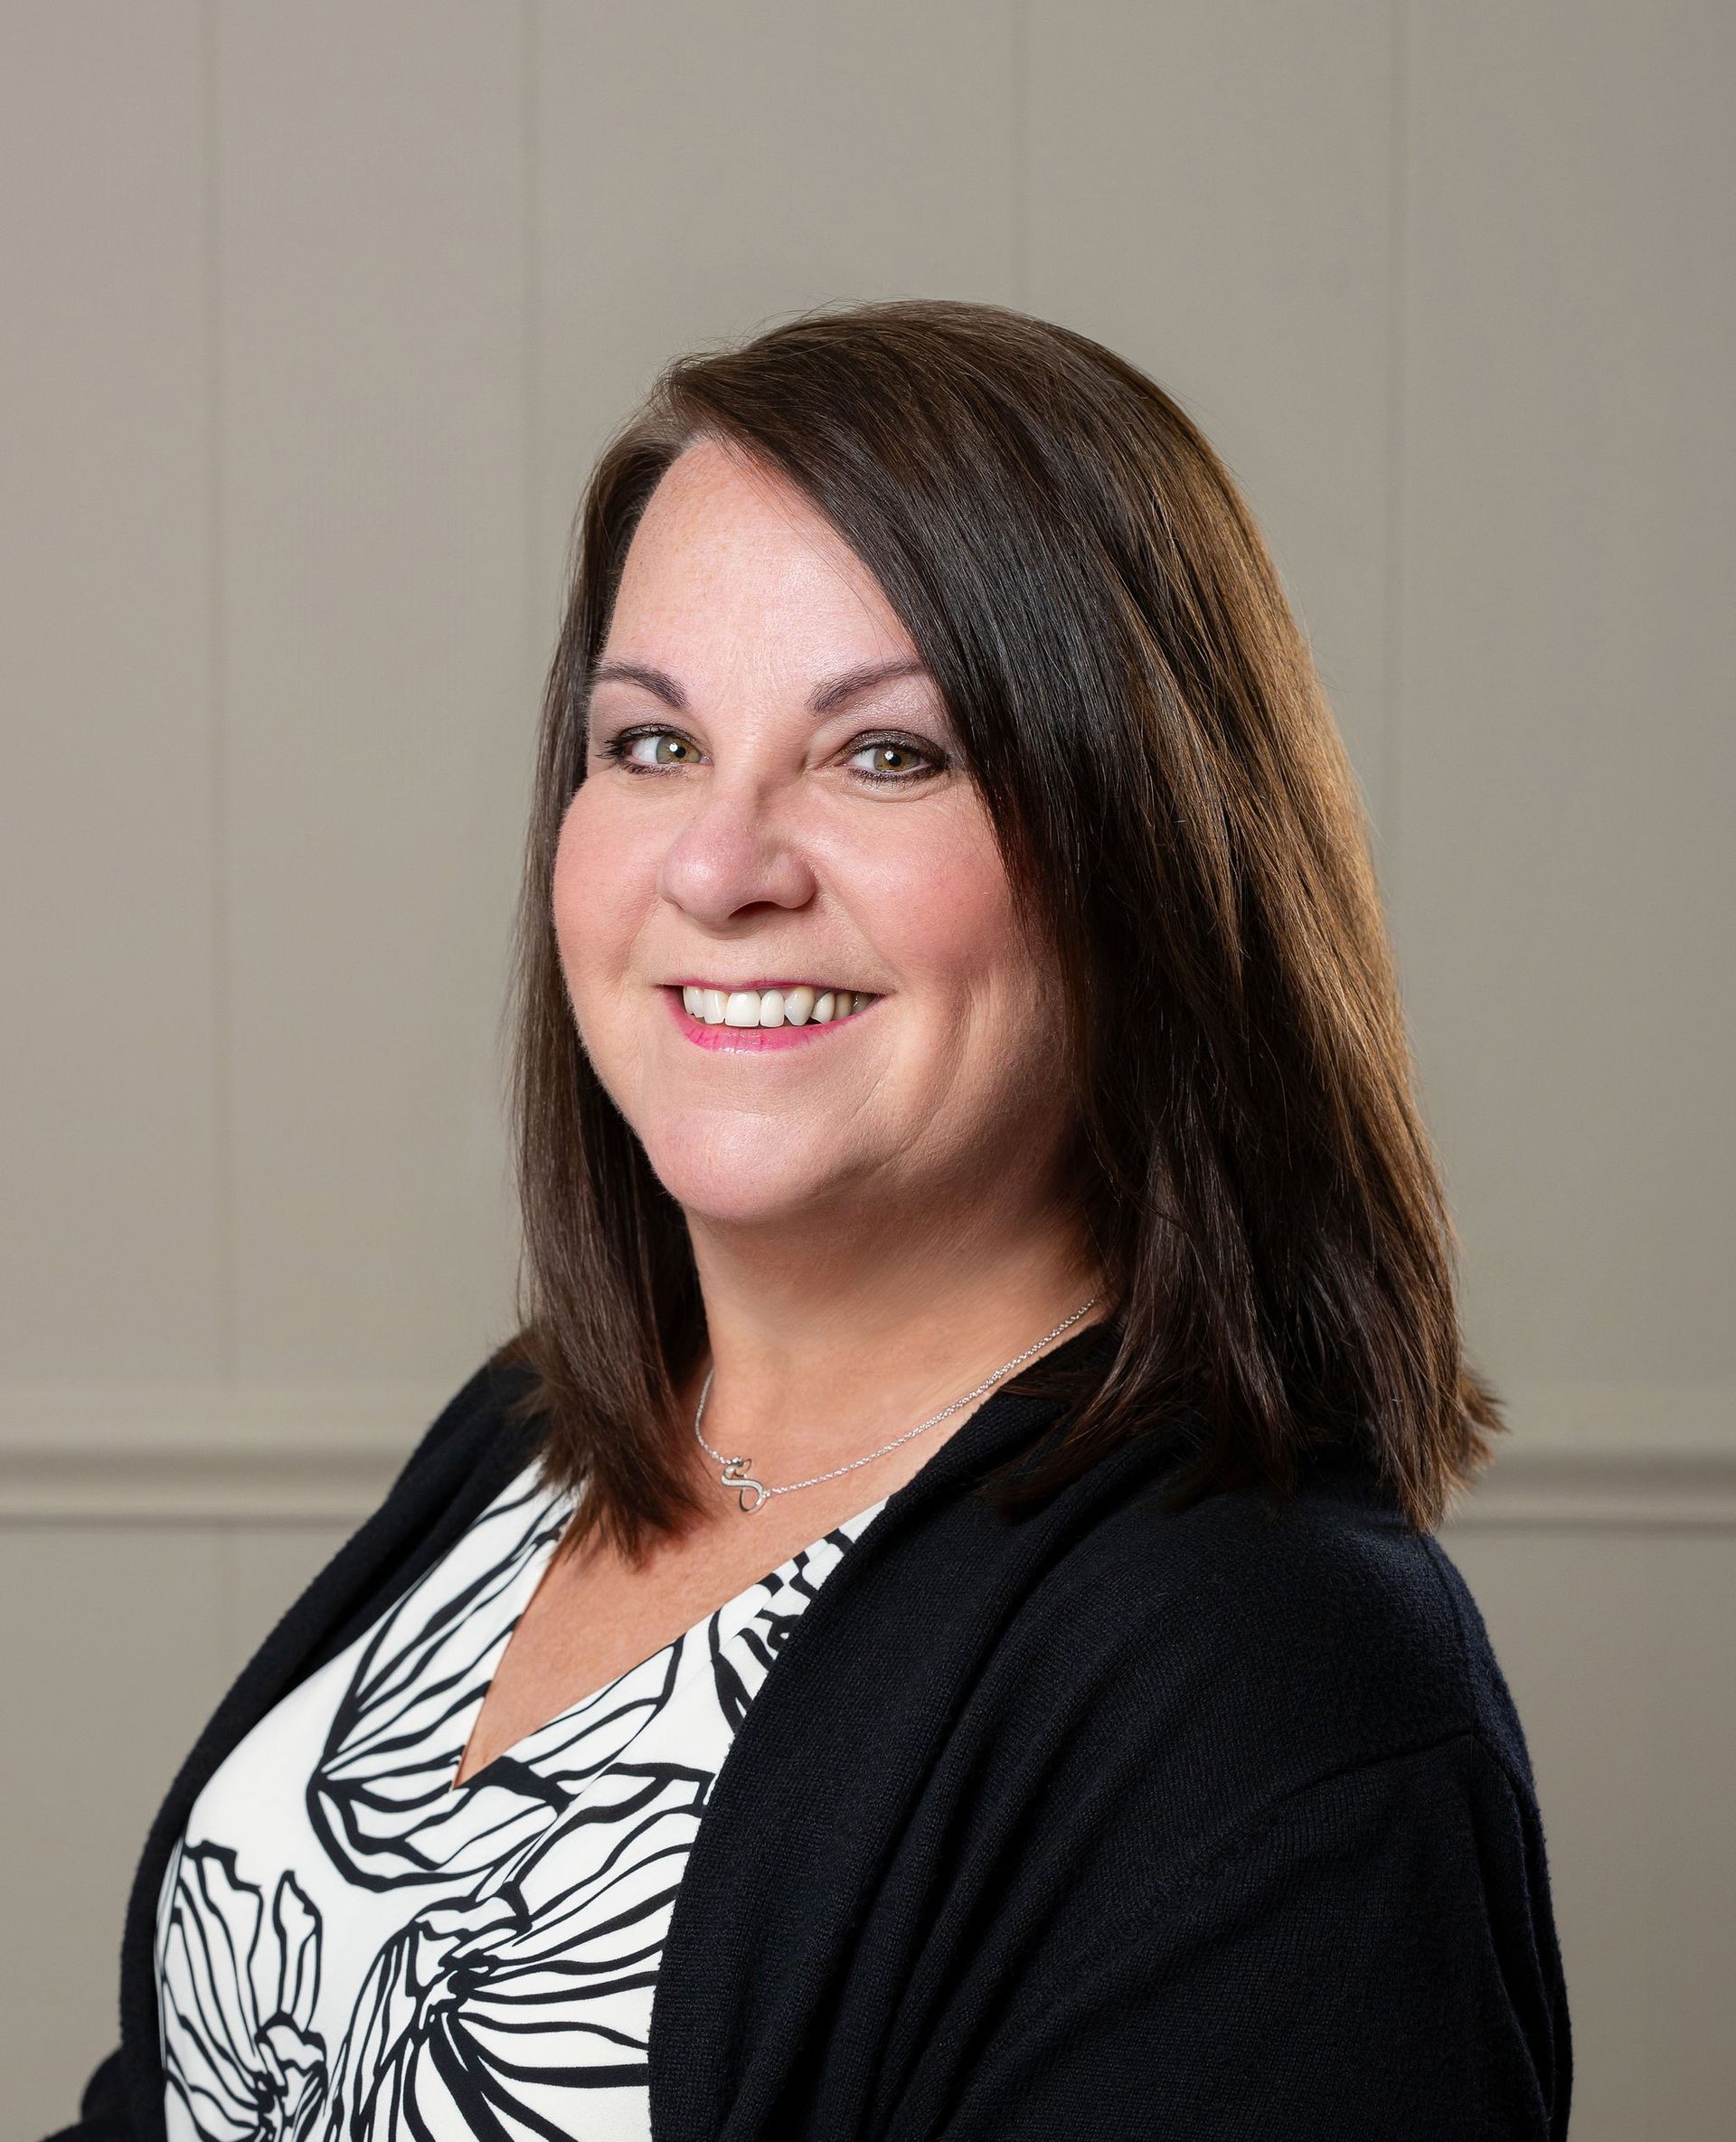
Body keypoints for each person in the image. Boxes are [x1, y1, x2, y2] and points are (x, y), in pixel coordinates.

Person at [50, 298, 1571, 2142]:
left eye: (888, 755)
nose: (719, 865)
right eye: (652, 743)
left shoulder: (1277, 1690)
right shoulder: (532, 1439)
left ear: (1148, 853)